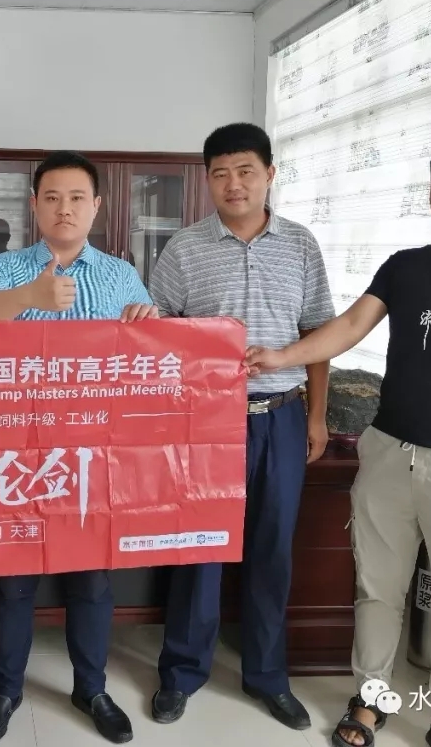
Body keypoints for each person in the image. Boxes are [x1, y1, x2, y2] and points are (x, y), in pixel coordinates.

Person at [245, 133, 431, 747]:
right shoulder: (404, 265)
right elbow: (350, 326)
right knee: (377, 589)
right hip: (388, 451)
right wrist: (282, 356)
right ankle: (370, 699)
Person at [0, 150, 155, 745]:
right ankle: (6, 690)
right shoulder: (8, 267)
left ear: (96, 206)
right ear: (35, 205)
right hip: (16, 449)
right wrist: (30, 297)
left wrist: (147, 319)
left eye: (76, 198)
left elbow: (152, 353)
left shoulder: (120, 274)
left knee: (91, 578)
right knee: (12, 575)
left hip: (96, 452)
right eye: (52, 197)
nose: (64, 208)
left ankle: (91, 688)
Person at [147, 123, 335, 731]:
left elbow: (318, 333)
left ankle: (268, 677)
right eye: (221, 173)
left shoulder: (300, 244)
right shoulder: (184, 248)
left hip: (281, 416)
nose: (234, 184)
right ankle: (181, 673)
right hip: (205, 422)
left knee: (272, 550)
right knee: (198, 548)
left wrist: (316, 416)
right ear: (207, 180)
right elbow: (158, 334)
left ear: (270, 174)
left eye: (246, 171)